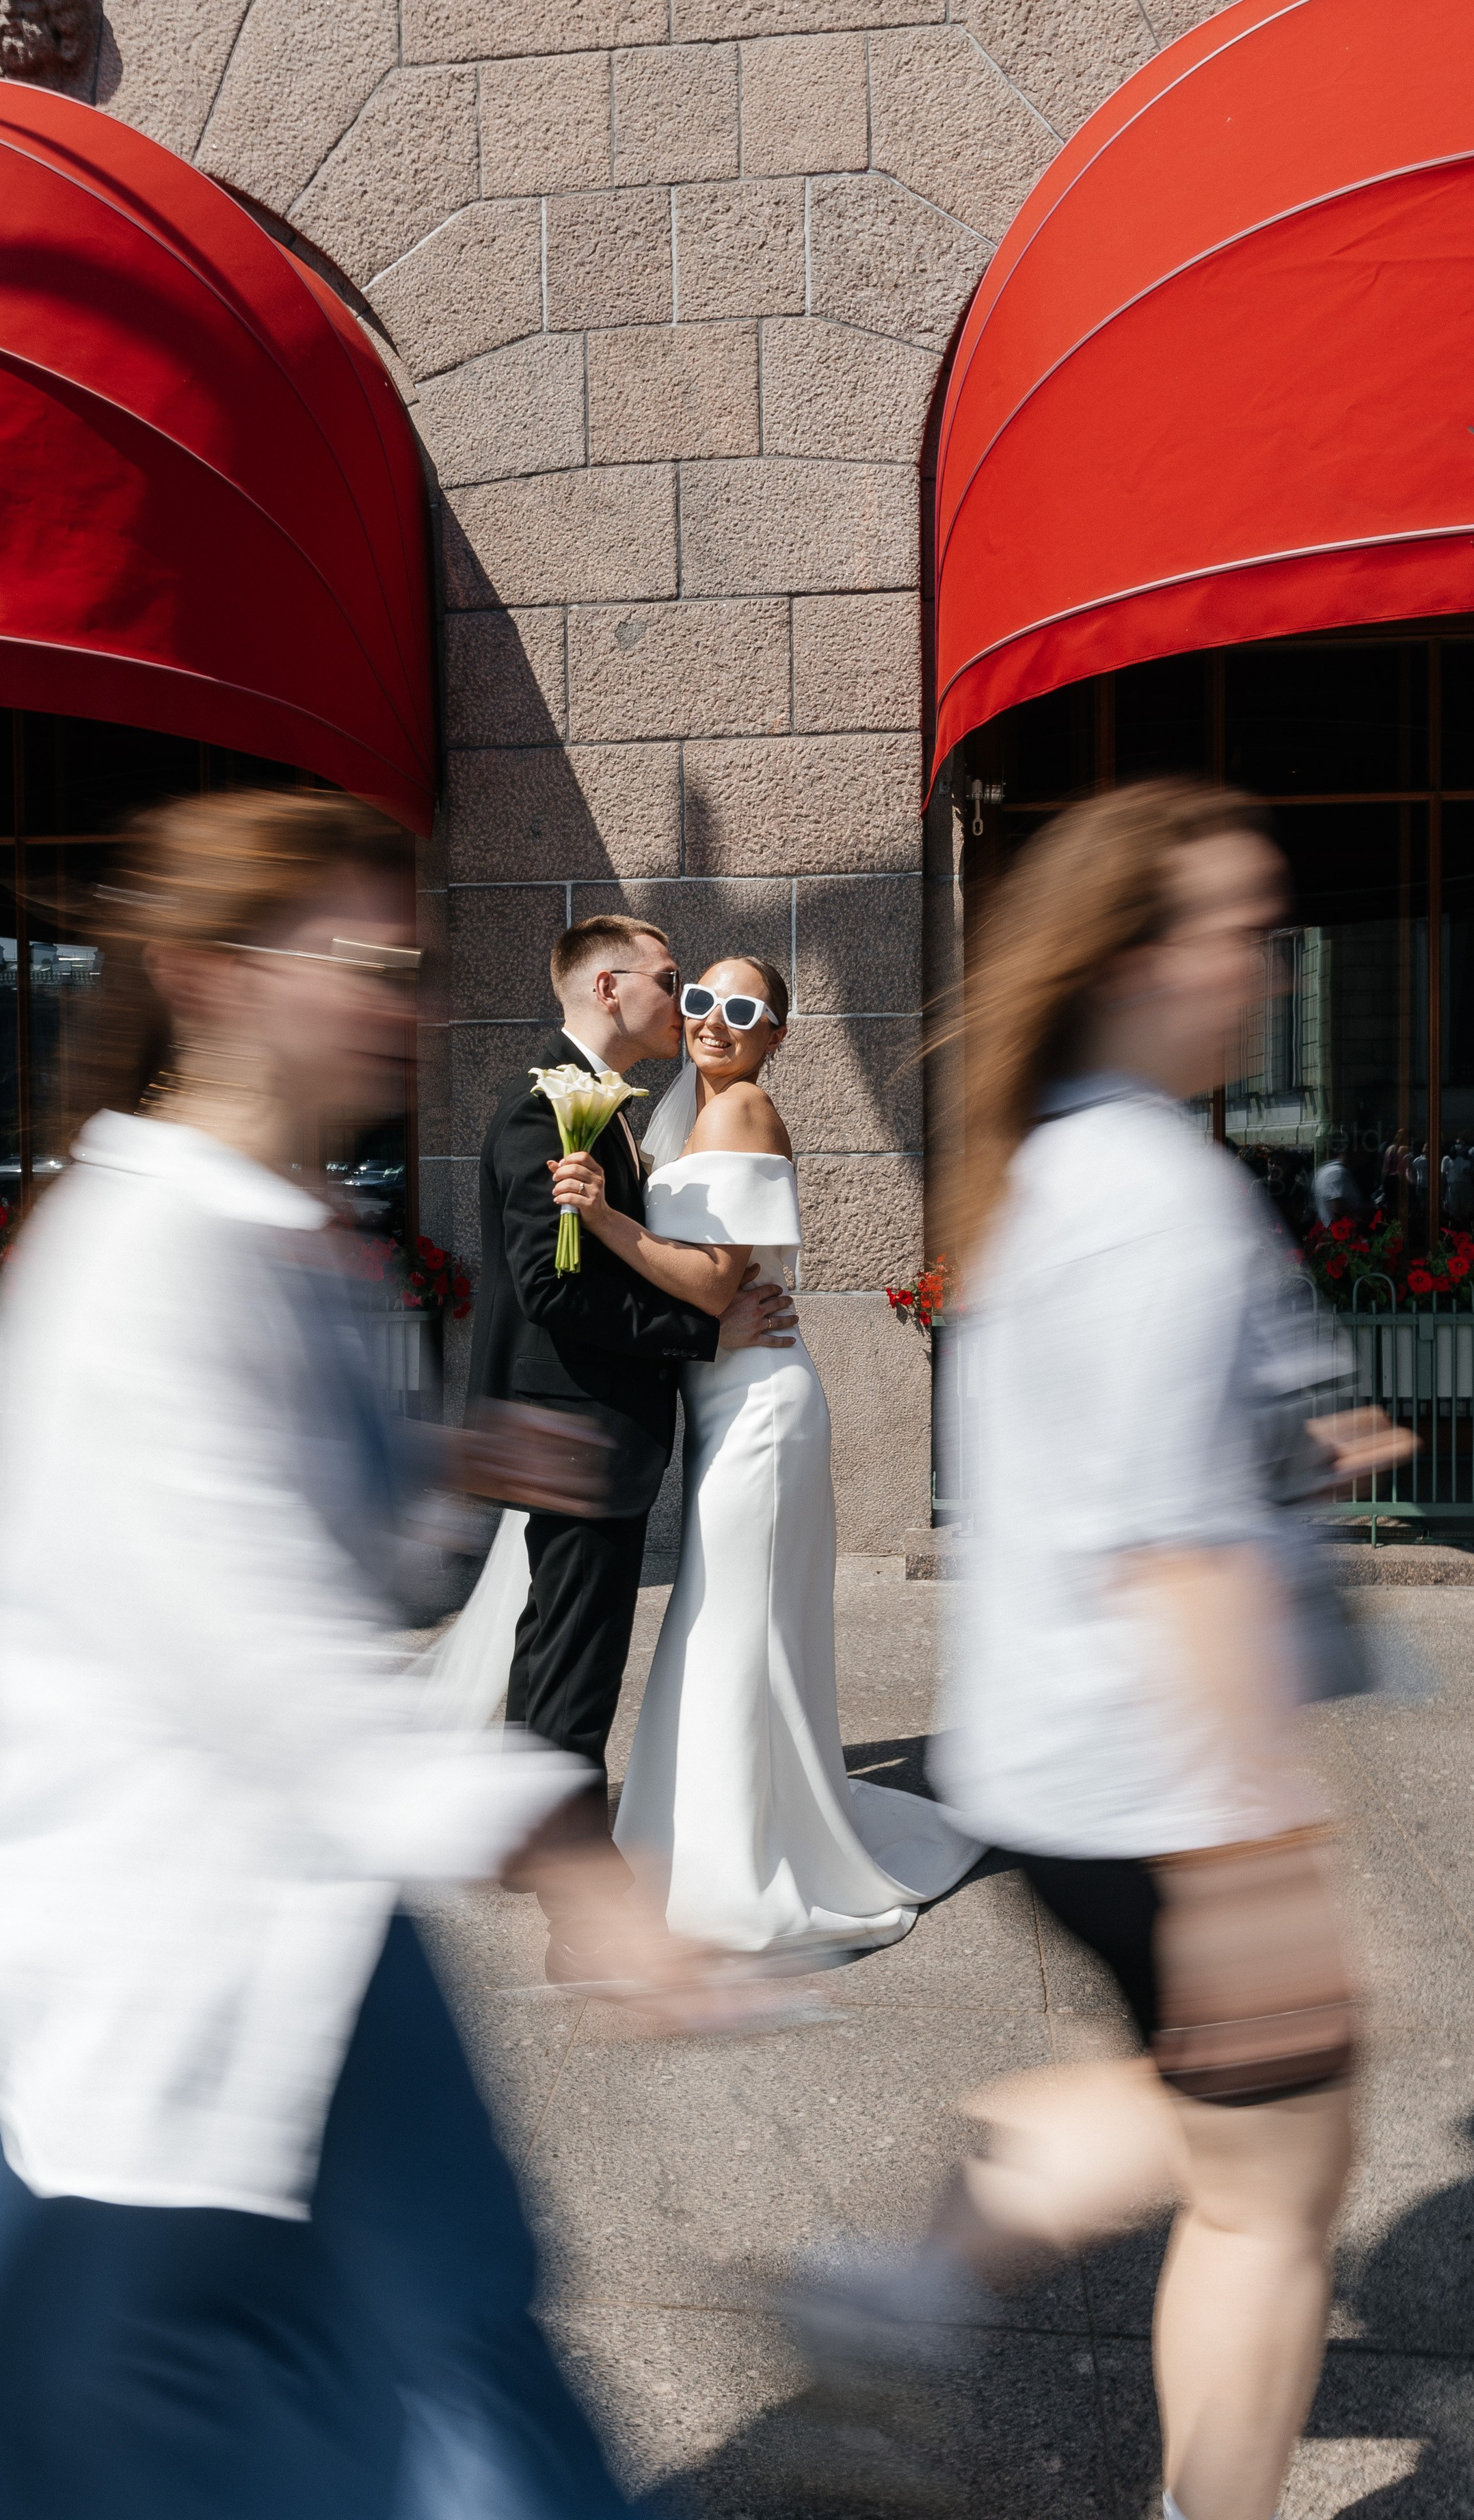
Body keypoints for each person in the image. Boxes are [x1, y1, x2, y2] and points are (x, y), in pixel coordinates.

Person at [0, 792, 721, 2520]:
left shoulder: (278, 1228)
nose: (401, 1001)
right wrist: (564, 1848)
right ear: (208, 975)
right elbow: (258, 1651)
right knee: (326, 2396)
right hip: (151, 1937)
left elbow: (294, 1514)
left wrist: (449, 1464)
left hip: (284, 1919)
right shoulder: (142, 1257)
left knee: (445, 2357)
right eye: (363, 963)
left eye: (406, 963)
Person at [779, 780, 1412, 2520]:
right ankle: (934, 2310)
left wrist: (1308, 1444)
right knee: (1265, 2192)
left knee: (1222, 2132)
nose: (1269, 970)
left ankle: (905, 2286)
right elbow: (1169, 1544)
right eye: (1240, 932)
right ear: (1136, 959)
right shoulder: (1157, 1192)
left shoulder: (1059, 1162)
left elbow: (1132, 1467)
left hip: (1056, 1766)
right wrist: (1258, 1852)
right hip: (1158, 1781)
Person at [550, 956, 982, 1953]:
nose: (712, 1020)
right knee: (732, 1626)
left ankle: (740, 1864)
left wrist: (602, 1214)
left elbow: (709, 1285)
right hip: (730, 1407)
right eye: (698, 1000)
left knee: (737, 1631)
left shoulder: (740, 1110)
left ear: (776, 1035)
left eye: (742, 1010)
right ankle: (727, 1838)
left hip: (760, 1416)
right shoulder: (691, 1116)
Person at [466, 915, 796, 1981]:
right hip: (574, 1423)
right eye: (671, 980)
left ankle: (525, 1837)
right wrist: (704, 1329)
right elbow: (555, 1291)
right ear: (610, 988)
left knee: (551, 1639)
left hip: (575, 1420)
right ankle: (584, 1922)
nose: (686, 998)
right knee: (576, 1665)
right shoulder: (543, 1115)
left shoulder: (596, 1110)